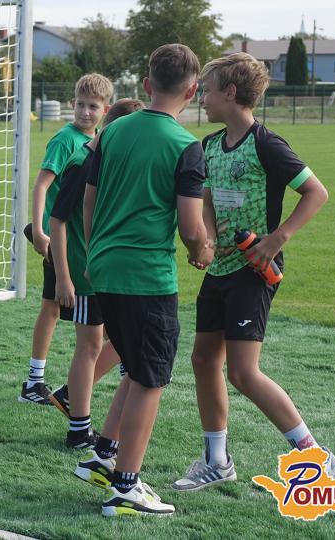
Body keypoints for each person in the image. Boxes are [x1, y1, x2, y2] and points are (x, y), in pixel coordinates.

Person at [172, 52, 335, 492]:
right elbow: (208, 202)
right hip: (221, 269)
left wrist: (277, 239)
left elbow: (316, 192)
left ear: (230, 93)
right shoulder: (209, 146)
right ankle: (216, 460)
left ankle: (315, 455)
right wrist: (207, 243)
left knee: (243, 373)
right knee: (203, 359)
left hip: (254, 269)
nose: (202, 98)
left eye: (208, 90)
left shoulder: (267, 144)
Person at [80, 44, 209, 516]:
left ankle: (104, 456)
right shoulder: (186, 146)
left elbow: (89, 200)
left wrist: (93, 250)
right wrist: (202, 251)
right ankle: (126, 487)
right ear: (193, 91)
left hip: (104, 266)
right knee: (151, 378)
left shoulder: (112, 130)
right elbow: (192, 227)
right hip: (146, 277)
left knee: (136, 369)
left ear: (148, 84)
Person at [46, 99, 145, 450]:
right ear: (115, 130)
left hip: (105, 270)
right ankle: (78, 430)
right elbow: (57, 220)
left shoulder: (105, 159)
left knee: (122, 338)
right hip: (84, 274)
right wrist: (63, 276)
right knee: (89, 346)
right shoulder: (81, 162)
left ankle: (71, 396)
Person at [19, 74, 112, 406]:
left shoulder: (99, 140)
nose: (86, 112)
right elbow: (42, 185)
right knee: (51, 308)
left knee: (67, 309)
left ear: (105, 110)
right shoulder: (65, 139)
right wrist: (39, 230)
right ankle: (34, 382)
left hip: (78, 243)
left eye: (93, 107)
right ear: (72, 104)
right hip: (58, 241)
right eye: (81, 105)